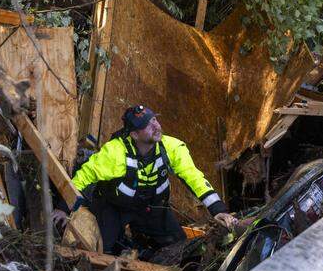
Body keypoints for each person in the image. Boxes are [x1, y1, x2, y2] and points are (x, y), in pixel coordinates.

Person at [51, 105, 238, 255]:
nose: (156, 126)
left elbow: (194, 177)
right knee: (102, 251)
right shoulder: (115, 152)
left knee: (181, 248)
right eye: (148, 125)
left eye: (155, 119)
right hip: (116, 208)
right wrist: (62, 207)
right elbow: (84, 176)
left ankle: (143, 242)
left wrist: (218, 210)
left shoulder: (172, 147)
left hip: (153, 209)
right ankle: (123, 245)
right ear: (134, 135)